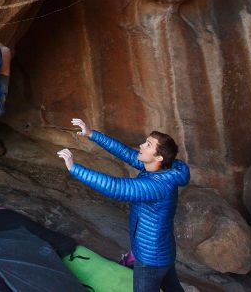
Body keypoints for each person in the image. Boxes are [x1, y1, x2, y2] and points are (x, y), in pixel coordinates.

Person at [57, 119, 190, 292]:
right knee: (172, 287)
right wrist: (91, 133)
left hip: (150, 259)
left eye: (148, 145)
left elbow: (115, 187)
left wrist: (74, 168)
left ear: (158, 157)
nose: (142, 145)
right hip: (162, 251)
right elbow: (126, 153)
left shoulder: (157, 186)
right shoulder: (161, 168)